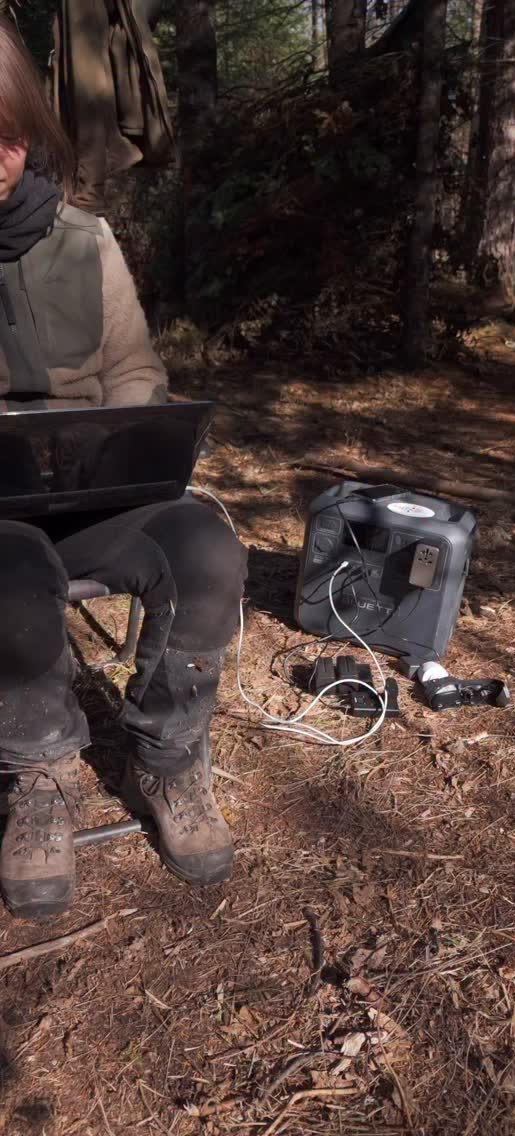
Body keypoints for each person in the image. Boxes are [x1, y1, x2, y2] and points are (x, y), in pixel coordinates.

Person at [0, 17, 247, 922]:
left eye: (10, 131)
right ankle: (42, 775)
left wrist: (140, 428)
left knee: (207, 550)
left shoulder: (83, 239)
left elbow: (137, 369)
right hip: (2, 518)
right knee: (11, 578)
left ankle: (170, 758)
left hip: (102, 487)